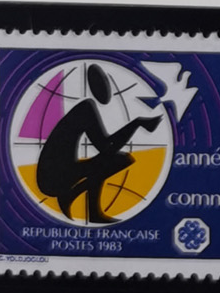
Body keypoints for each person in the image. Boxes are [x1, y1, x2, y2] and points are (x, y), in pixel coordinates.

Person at [34, 62, 162, 224]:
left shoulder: (85, 108)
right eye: (104, 84)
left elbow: (105, 147)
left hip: (58, 174)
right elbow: (105, 148)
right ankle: (76, 198)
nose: (108, 90)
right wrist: (137, 124)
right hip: (53, 178)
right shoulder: (86, 108)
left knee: (118, 160)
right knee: (119, 160)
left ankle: (82, 203)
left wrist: (137, 123)